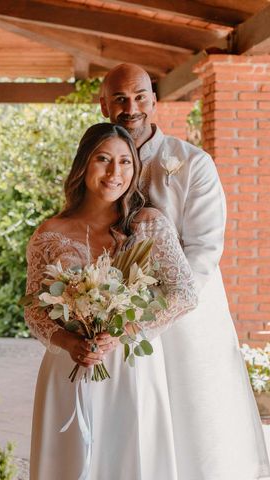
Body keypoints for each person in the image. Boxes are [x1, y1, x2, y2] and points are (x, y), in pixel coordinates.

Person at [99, 63, 269, 479]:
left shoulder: (193, 164)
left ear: (154, 101)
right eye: (119, 98)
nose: (131, 107)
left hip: (186, 319)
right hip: (118, 317)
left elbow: (205, 251)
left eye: (140, 96)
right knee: (131, 423)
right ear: (104, 105)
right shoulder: (99, 164)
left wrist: (152, 311)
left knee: (194, 417)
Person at [25, 123, 198, 480]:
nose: (114, 172)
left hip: (130, 367)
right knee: (69, 462)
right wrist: (69, 342)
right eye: (103, 159)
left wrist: (126, 330)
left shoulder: (149, 225)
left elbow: (183, 293)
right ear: (83, 164)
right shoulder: (49, 233)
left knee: (131, 457)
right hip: (68, 366)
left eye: (125, 162)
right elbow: (34, 307)